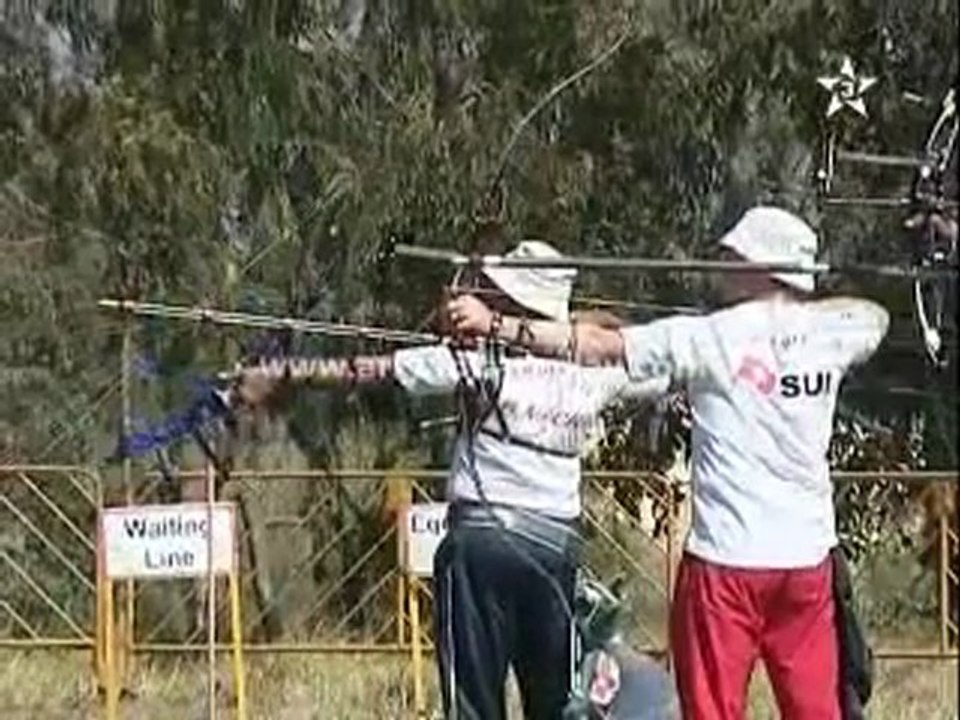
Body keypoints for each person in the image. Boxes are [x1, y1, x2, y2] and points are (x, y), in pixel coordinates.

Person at [445, 206, 891, 720]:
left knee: (711, 711)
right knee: (818, 711)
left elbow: (593, 347)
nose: (722, 262)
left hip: (726, 564)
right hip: (805, 564)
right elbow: (873, 316)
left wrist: (494, 323)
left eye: (733, 256)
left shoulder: (706, 338)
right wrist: (797, 308)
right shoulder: (836, 332)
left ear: (759, 267)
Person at [231, 240, 669, 720]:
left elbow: (369, 370)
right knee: (556, 704)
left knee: (473, 704)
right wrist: (588, 329)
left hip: (480, 548)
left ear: (510, 306)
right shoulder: (594, 375)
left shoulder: (475, 362)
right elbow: (657, 359)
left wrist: (283, 370)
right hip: (553, 552)